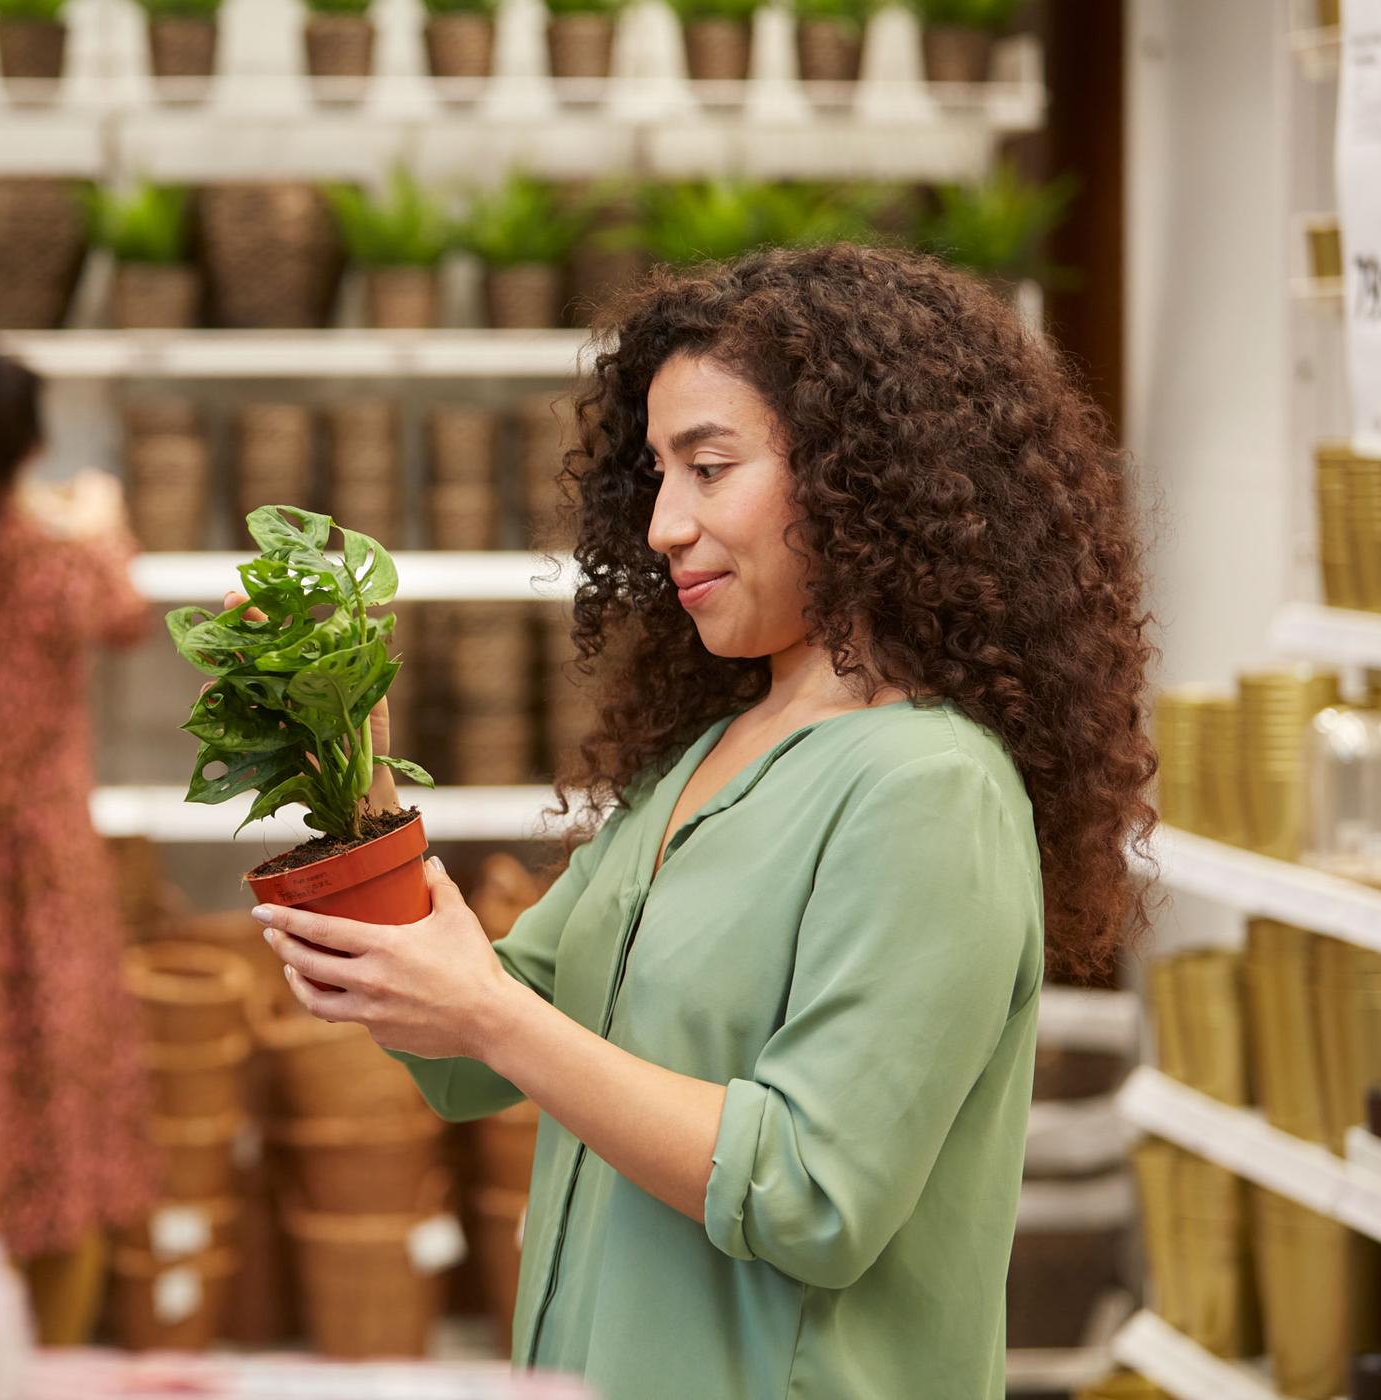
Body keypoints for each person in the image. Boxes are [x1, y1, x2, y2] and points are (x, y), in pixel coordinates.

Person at [249, 243, 1160, 1399]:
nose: (664, 524)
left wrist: (485, 1017)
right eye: (654, 477)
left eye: (708, 467)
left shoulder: (929, 787)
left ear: (858, 475)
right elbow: (467, 1048)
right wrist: (346, 754)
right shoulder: (699, 761)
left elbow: (813, 1195)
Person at [0, 340, 158, 1343]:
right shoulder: (56, 555)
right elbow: (126, 612)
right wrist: (98, 510)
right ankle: (42, 1361)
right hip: (42, 865)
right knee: (65, 1108)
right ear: (26, 444)